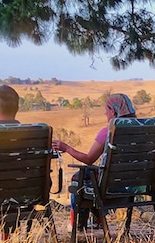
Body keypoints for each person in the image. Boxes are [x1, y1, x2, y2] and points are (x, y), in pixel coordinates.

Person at [52, 93, 136, 231]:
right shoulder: (143, 130)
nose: (105, 113)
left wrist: (66, 148)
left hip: (111, 189)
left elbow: (88, 159)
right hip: (134, 186)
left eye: (106, 110)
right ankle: (96, 219)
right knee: (86, 175)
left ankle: (77, 223)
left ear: (113, 112)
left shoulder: (109, 132)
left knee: (78, 178)